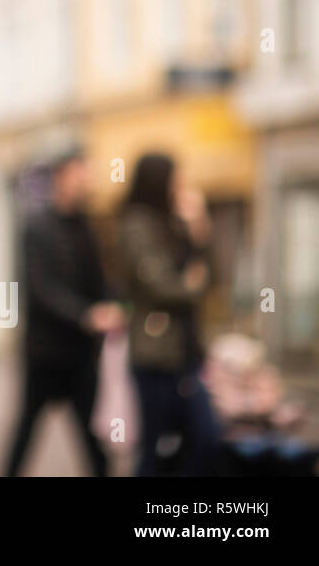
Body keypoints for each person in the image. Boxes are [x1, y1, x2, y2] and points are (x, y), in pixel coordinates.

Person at [2, 147, 124, 477]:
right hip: (45, 352)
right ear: (60, 177)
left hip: (82, 353)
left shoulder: (88, 226)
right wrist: (86, 315)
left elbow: (100, 280)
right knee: (26, 431)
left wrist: (112, 306)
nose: (86, 179)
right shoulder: (36, 226)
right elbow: (40, 288)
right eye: (79, 172)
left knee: (92, 437)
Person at [117, 152, 222, 476]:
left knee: (203, 439)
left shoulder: (175, 221)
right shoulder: (136, 224)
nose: (181, 186)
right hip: (155, 354)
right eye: (175, 178)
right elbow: (164, 287)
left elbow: (209, 277)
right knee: (157, 446)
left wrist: (200, 229)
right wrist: (191, 285)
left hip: (185, 353)